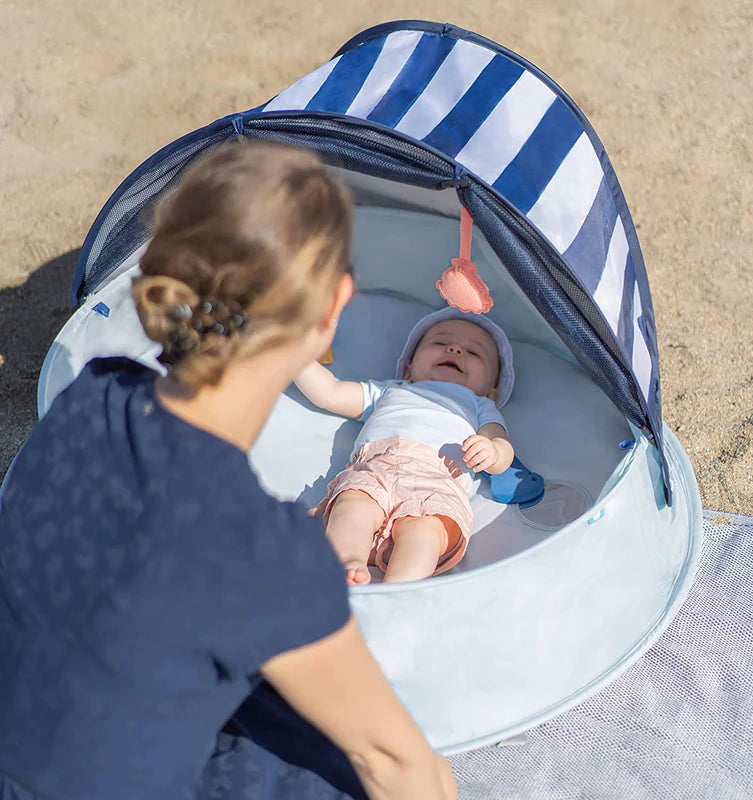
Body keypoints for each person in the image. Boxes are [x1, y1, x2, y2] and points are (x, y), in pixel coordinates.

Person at [0, 141, 456, 800]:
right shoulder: (263, 550)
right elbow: (403, 768)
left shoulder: (90, 399)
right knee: (346, 764)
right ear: (334, 305)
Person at [294, 307, 516, 585]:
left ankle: (400, 587)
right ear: (408, 369)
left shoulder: (480, 405)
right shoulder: (392, 390)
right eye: (439, 342)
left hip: (437, 483)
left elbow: (501, 445)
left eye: (474, 352)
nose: (455, 349)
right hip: (377, 470)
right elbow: (330, 393)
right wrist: (295, 356)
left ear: (492, 391)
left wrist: (493, 452)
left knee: (424, 531)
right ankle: (348, 562)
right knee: (353, 504)